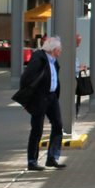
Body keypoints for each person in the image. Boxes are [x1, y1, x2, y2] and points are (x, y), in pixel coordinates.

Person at [20, 36, 67, 171]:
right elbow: (26, 78)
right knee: (37, 129)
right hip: (39, 98)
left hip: (51, 97)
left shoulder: (54, 61)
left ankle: (52, 158)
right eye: (59, 49)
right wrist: (26, 99)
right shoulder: (38, 59)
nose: (61, 52)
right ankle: (32, 161)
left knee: (58, 125)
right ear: (53, 50)